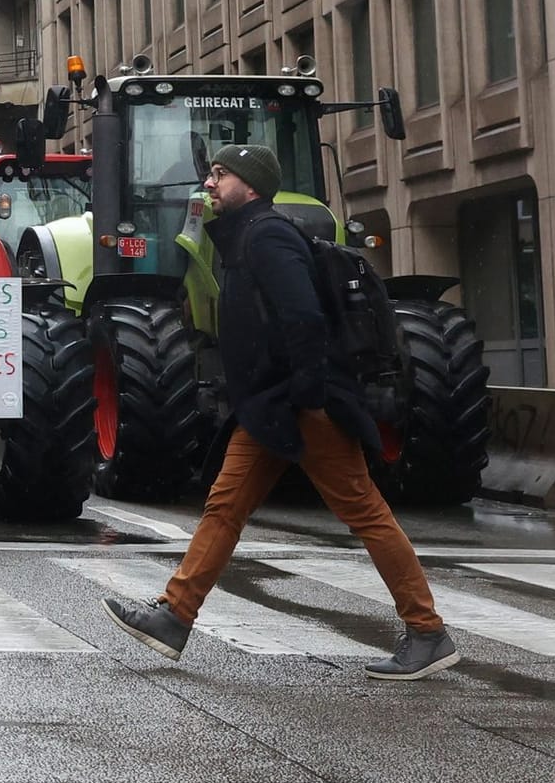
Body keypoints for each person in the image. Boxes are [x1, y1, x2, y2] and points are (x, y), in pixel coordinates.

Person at [101, 142, 460, 681]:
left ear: (249, 185)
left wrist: (309, 398)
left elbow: (305, 318)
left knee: (363, 510)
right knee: (224, 507)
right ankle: (174, 616)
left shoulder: (268, 235)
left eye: (220, 176)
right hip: (268, 406)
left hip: (299, 404)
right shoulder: (246, 236)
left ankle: (427, 632)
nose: (209, 185)